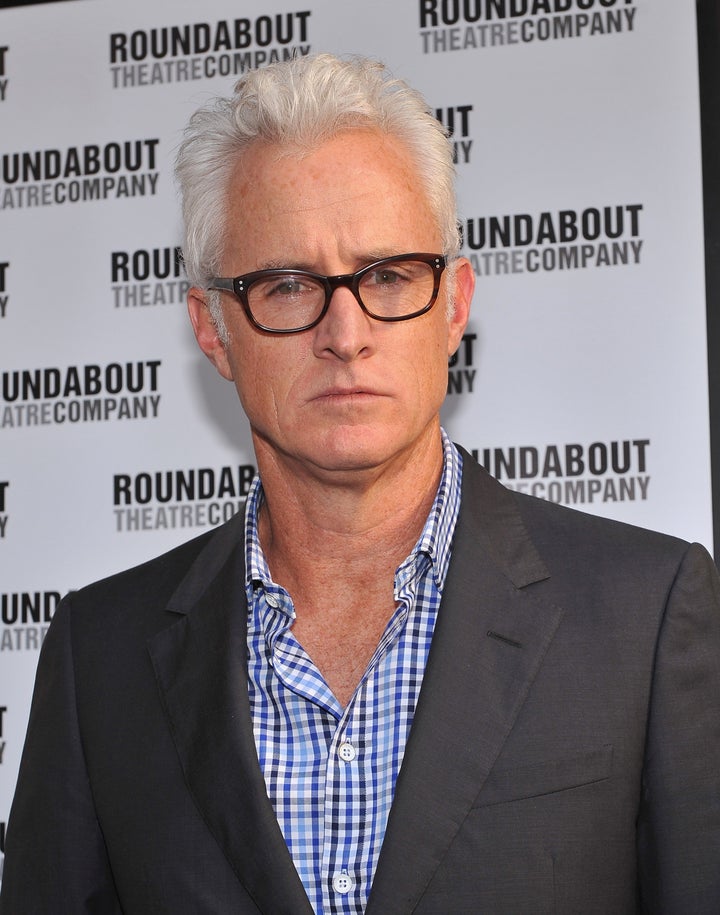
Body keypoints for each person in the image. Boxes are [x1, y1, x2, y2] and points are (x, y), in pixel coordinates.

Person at [1, 53, 719, 915]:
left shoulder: (645, 613)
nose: (346, 332)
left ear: (454, 306)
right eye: (288, 285)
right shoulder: (98, 657)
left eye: (387, 276)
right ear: (215, 329)